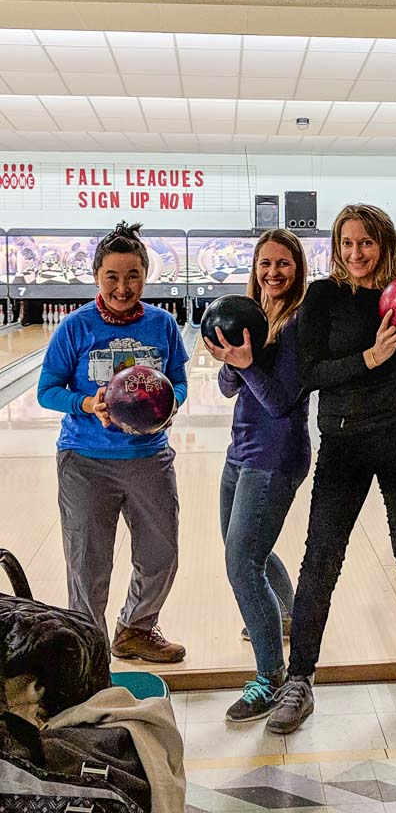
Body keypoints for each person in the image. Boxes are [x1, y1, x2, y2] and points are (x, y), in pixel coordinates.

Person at [266, 203, 396, 734]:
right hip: (342, 443)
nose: (355, 253)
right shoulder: (322, 297)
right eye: (346, 243)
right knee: (320, 558)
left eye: (365, 243)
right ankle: (299, 680)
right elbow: (310, 374)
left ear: (384, 244)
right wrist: (369, 356)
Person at [38, 221, 188, 662]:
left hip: (149, 456)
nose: (123, 287)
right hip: (85, 460)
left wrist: (167, 404)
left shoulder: (162, 325)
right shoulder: (74, 327)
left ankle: (135, 629)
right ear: (97, 276)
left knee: (161, 555)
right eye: (112, 277)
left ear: (146, 274)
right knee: (88, 564)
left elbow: (178, 381)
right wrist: (90, 403)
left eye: (133, 276)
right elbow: (47, 390)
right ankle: (88, 650)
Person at [204, 229, 311, 722]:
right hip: (242, 450)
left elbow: (280, 401)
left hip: (275, 456)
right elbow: (230, 388)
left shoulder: (297, 325)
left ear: (298, 268)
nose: (273, 273)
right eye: (265, 264)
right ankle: (285, 616)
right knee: (247, 550)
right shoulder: (255, 314)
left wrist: (246, 366)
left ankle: (271, 678)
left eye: (283, 264)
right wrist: (230, 360)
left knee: (240, 564)